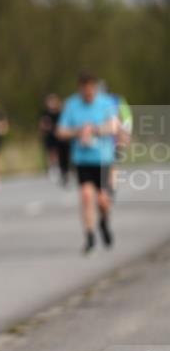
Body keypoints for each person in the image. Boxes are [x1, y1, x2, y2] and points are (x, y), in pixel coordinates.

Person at [56, 72, 120, 254]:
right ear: (80, 89)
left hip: (103, 158)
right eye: (85, 91)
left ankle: (104, 222)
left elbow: (114, 126)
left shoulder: (106, 102)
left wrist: (95, 129)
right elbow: (60, 131)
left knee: (103, 201)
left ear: (95, 88)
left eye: (91, 90)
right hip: (83, 159)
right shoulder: (71, 105)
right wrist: (78, 132)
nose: (88, 94)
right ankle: (90, 235)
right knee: (85, 195)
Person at [39, 93, 70, 186]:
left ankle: (62, 169)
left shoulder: (60, 112)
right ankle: (52, 168)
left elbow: (65, 124)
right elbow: (42, 125)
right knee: (51, 152)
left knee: (60, 153)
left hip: (59, 136)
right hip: (50, 135)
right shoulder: (45, 113)